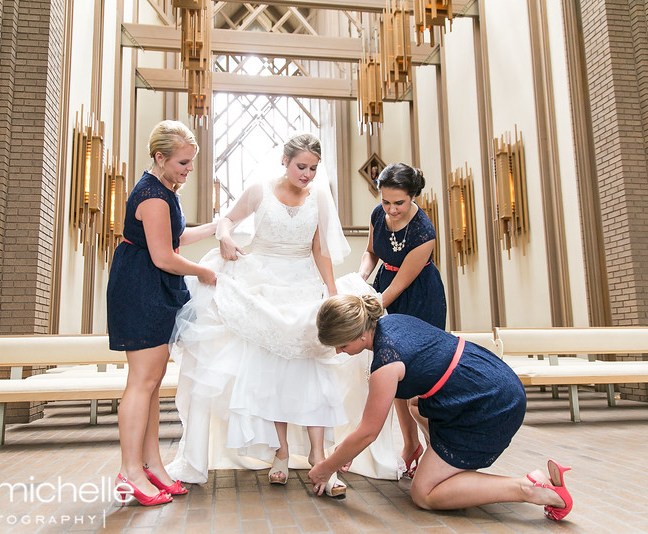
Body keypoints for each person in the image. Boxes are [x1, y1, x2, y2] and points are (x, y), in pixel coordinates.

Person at [166, 134, 399, 495]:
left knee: (313, 370)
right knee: (273, 371)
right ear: (285, 161)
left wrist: (331, 292)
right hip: (262, 282)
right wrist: (226, 238)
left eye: (313, 168)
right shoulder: (260, 189)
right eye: (301, 166)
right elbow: (226, 220)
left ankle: (320, 459)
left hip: (304, 283)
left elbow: (320, 249)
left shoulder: (319, 196)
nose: (307, 174)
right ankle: (282, 453)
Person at [309, 294, 574, 521]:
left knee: (424, 493)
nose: (340, 352)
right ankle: (442, 464)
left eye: (342, 345)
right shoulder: (392, 322)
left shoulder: (386, 364)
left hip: (487, 406)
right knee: (415, 404)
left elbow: (368, 432)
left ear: (361, 334)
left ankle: (530, 488)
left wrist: (325, 468)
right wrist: (348, 453)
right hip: (494, 379)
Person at [107, 120, 217, 506]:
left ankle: (152, 464)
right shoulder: (152, 196)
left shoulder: (165, 189)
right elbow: (164, 256)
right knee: (142, 381)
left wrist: (216, 227)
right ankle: (130, 471)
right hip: (141, 288)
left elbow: (175, 236)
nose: (189, 169)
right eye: (184, 163)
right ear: (160, 158)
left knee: (152, 383)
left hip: (151, 285)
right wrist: (204, 271)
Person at [358, 162, 447, 478]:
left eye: (399, 203)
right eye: (386, 201)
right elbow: (371, 252)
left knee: (420, 381)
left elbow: (400, 286)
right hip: (385, 284)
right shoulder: (377, 215)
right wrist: (359, 279)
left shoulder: (424, 232)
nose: (391, 209)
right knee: (392, 372)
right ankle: (410, 445)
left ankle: (437, 448)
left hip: (419, 296)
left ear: (413, 197)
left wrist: (365, 307)